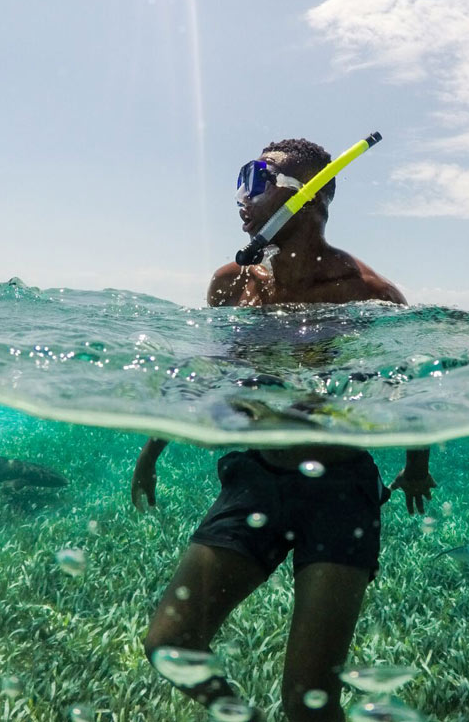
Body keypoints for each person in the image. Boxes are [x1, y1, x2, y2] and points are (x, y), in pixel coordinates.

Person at [133, 139, 437, 722]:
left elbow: (411, 390)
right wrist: (152, 450)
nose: (240, 197)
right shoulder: (231, 284)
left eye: (256, 178)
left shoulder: (370, 295)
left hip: (339, 492)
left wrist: (416, 466)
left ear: (310, 196)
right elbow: (208, 377)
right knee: (169, 643)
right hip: (256, 479)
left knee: (307, 704)